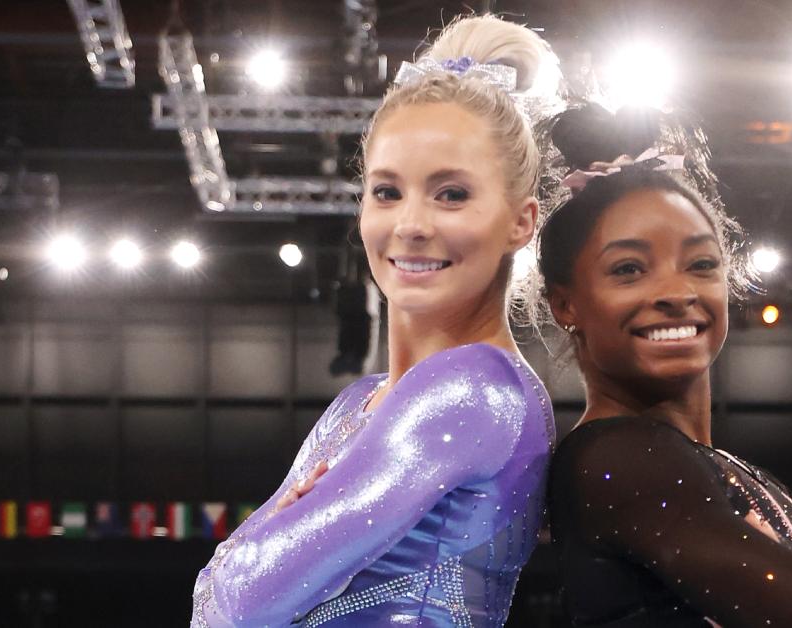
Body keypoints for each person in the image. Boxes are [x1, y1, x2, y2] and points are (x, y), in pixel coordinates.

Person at [190, 15, 561, 627]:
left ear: (521, 221)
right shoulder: (359, 403)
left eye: (451, 194)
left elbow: (235, 599)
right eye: (387, 192)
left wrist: (256, 540)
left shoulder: (471, 389)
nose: (411, 225)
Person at [533, 103, 792, 627]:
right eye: (629, 269)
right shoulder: (619, 458)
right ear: (565, 304)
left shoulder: (694, 462)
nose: (677, 293)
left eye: (700, 264)